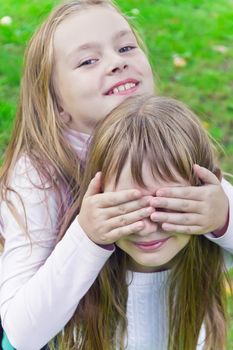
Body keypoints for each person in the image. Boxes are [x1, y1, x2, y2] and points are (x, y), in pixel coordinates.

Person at [0, 0, 232, 349]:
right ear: (56, 103)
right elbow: (21, 332)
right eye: (88, 60)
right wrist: (89, 237)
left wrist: (222, 216)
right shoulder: (38, 176)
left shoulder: (162, 136)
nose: (116, 61)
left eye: (125, 47)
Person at [63, 95, 232, 350]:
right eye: (129, 208)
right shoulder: (76, 268)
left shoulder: (213, 248)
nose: (148, 227)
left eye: (168, 207)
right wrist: (88, 239)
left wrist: (223, 218)